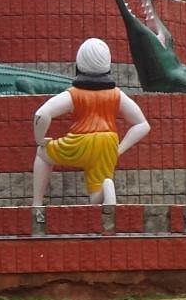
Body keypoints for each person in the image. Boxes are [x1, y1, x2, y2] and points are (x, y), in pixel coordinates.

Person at [32, 38, 150, 206]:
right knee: (96, 196)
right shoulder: (116, 95)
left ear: (79, 64)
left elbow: (42, 114)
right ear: (108, 65)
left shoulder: (74, 94)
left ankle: (36, 205)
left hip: (80, 142)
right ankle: (107, 187)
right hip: (108, 143)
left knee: (42, 154)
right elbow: (142, 124)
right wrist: (118, 150)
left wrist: (40, 139)